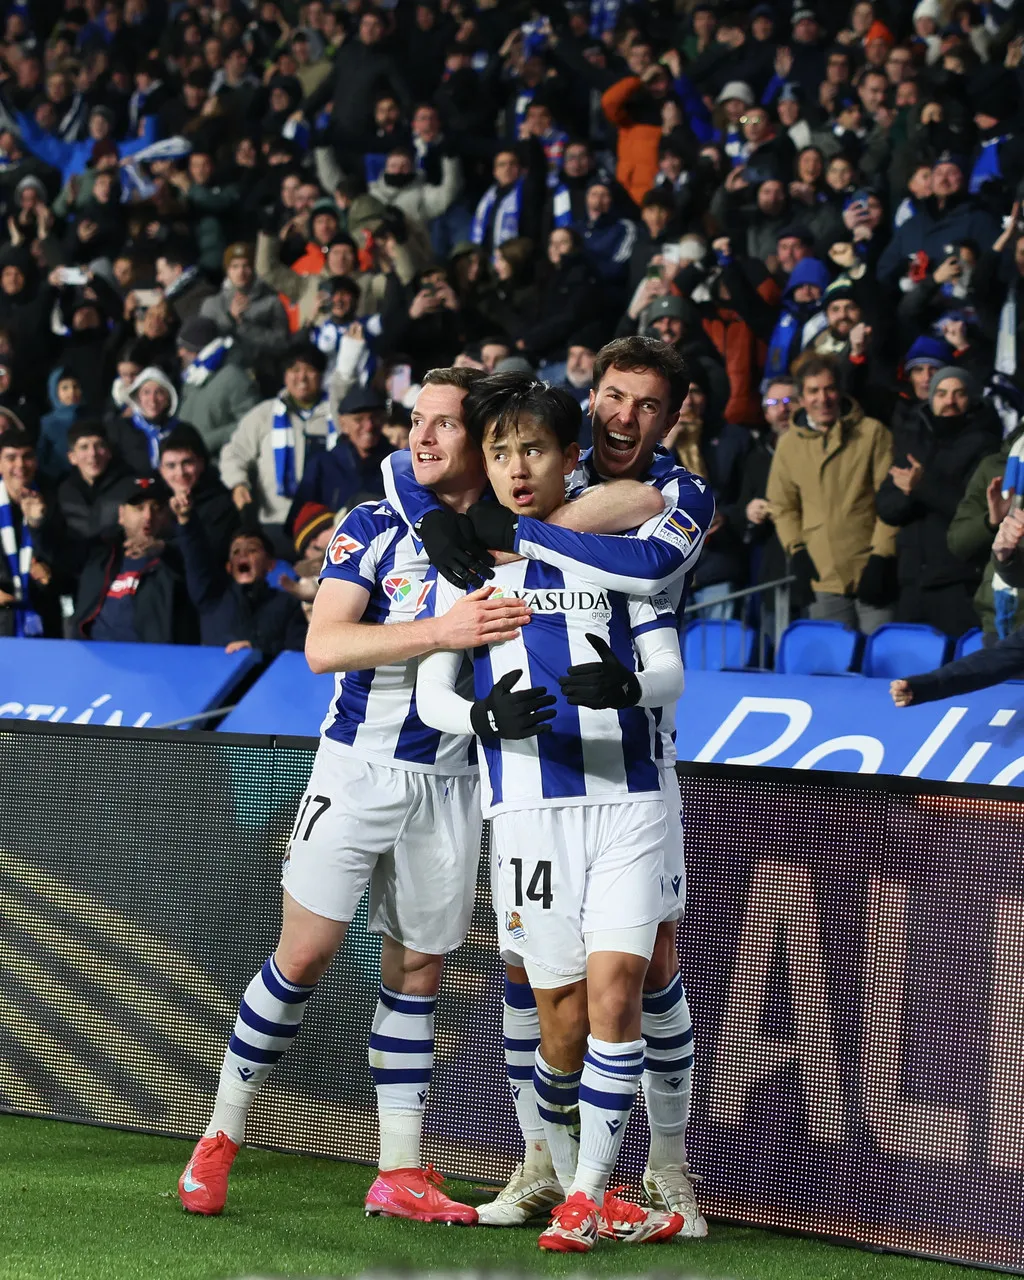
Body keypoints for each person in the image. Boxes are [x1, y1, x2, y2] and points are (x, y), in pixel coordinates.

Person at [176, 367, 528, 1223]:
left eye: (444, 424)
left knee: (418, 974)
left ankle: (398, 1168)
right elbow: (324, 646)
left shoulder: (515, 535)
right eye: (418, 420)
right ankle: (220, 1134)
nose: (423, 437)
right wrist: (440, 631)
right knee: (304, 956)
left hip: (450, 780)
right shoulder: (372, 525)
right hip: (355, 768)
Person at [383, 336, 715, 1235]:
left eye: (647, 406)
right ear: (591, 398)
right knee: (535, 980)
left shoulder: (668, 503)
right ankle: (547, 1163)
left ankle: (664, 1169)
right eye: (613, 396)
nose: (624, 417)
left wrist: (508, 530)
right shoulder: (519, 494)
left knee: (648, 971)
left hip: (635, 764)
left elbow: (644, 572)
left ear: (672, 415)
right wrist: (446, 523)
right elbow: (434, 463)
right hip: (527, 793)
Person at [767, 355, 898, 632]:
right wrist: (797, 550)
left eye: (829, 389)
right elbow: (783, 505)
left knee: (880, 663)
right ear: (802, 399)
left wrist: (882, 556)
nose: (822, 398)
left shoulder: (872, 433)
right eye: (813, 391)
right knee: (834, 669)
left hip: (872, 567)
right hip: (821, 572)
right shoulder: (789, 444)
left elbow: (891, 501)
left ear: (840, 392)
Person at [876, 366, 1000, 636]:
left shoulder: (985, 446)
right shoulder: (913, 443)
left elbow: (974, 511)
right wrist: (910, 494)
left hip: (958, 584)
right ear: (931, 399)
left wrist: (921, 488)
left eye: (959, 394)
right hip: (911, 582)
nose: (949, 402)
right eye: (941, 394)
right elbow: (886, 508)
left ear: (972, 399)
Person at [219, 345, 334, 541]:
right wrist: (238, 483)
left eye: (309, 370)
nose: (302, 377)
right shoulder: (264, 413)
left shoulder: (336, 415)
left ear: (321, 375)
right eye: (295, 370)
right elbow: (235, 451)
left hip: (328, 523)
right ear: (285, 375)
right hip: (276, 520)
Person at [73, 477, 197, 644]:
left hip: (151, 660)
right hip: (97, 656)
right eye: (139, 508)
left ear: (167, 515)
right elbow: (62, 553)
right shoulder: (102, 555)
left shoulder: (179, 555)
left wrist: (162, 550)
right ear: (121, 515)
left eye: (157, 508)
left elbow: (195, 564)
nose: (148, 516)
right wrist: (38, 526)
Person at [171, 503, 307, 658]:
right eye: (236, 551)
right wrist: (186, 520)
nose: (243, 555)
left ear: (270, 564)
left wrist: (257, 648)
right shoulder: (213, 598)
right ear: (229, 567)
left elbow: (299, 653)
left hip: (270, 681)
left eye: (252, 550)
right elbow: (196, 559)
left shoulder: (288, 605)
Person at [288, 385, 392, 518]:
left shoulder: (397, 464)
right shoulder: (322, 465)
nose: (369, 426)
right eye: (358, 420)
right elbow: (297, 519)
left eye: (374, 417)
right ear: (343, 424)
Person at [0, 428, 62, 638]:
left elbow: (68, 564)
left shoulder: (55, 500)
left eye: (27, 457)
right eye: (11, 458)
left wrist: (38, 526)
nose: (20, 465)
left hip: (44, 622)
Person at [176, 317, 261, 460]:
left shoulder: (234, 377)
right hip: (191, 465)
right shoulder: (192, 379)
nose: (180, 353)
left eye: (186, 348)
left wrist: (205, 441)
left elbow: (252, 423)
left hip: (222, 465)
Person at [159, 425, 239, 564]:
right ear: (161, 470)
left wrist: (163, 548)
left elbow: (210, 555)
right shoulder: (154, 502)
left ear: (201, 463)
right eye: (171, 466)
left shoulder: (222, 505)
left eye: (187, 463)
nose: (180, 473)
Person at [108, 367, 179, 476]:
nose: (152, 399)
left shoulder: (180, 430)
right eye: (146, 392)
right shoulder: (120, 429)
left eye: (159, 392)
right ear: (137, 397)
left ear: (168, 397)